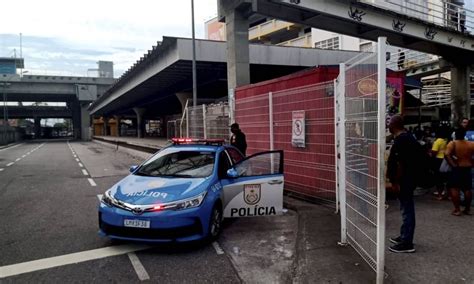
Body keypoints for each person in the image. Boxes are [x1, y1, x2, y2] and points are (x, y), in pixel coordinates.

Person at [387, 115, 419, 253]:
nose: (387, 125)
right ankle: (404, 235)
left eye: (389, 122)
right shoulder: (408, 138)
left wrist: (395, 181)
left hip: (404, 180)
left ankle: (407, 243)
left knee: (407, 210)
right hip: (408, 179)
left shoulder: (402, 140)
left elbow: (400, 164)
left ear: (395, 124)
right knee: (405, 208)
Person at [445, 128, 474, 216]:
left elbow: (446, 154)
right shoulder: (471, 144)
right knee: (467, 189)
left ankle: (457, 209)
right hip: (467, 167)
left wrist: (453, 164)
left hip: (457, 168)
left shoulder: (453, 143)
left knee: (454, 188)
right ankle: (468, 209)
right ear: (464, 134)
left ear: (455, 134)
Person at [431, 128, 448, 200]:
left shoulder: (437, 141)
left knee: (438, 178)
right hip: (445, 159)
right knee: (445, 177)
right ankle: (446, 193)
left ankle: (440, 195)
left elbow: (434, 151)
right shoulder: (446, 140)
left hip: (438, 160)